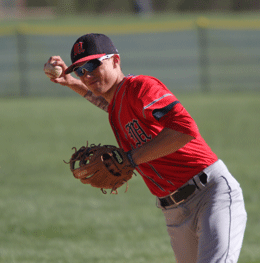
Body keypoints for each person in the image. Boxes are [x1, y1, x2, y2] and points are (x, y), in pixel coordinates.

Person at [45, 33, 247, 263]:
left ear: (115, 60)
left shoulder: (140, 87)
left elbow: (185, 129)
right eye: (80, 70)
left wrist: (131, 158)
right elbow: (108, 104)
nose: (87, 74)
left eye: (92, 64)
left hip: (210, 194)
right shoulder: (117, 104)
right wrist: (72, 83)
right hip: (173, 211)